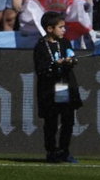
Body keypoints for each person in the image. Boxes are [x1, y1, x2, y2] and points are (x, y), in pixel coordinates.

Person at [33, 10, 80, 164]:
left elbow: (73, 59)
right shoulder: (41, 46)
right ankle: (52, 151)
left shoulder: (64, 43)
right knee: (51, 121)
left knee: (67, 119)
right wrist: (54, 64)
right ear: (50, 29)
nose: (64, 30)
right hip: (49, 88)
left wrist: (70, 61)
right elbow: (41, 69)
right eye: (61, 27)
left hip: (63, 86)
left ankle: (65, 151)